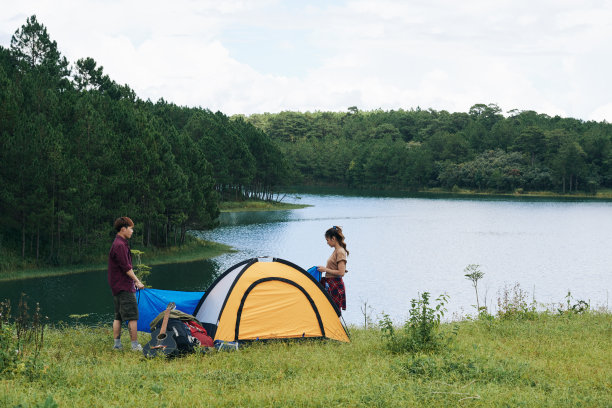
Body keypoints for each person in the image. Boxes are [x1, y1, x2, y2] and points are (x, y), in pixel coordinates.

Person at [108, 216, 145, 351]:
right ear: (123, 229)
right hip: (124, 287)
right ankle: (135, 346)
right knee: (133, 316)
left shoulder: (118, 243)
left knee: (118, 316)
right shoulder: (120, 245)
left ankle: (117, 345)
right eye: (131, 229)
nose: (132, 231)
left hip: (117, 286)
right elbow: (126, 267)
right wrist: (137, 281)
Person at [318, 226, 348, 314]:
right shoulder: (336, 251)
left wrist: (325, 269)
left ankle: (336, 328)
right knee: (330, 311)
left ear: (333, 238)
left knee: (334, 312)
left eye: (327, 240)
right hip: (331, 284)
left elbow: (341, 273)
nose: (327, 242)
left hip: (335, 285)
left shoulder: (340, 252)